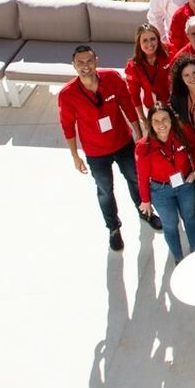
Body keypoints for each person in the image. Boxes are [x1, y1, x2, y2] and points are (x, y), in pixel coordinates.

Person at [59, 45, 152, 252]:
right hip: (96, 153)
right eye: (80, 62)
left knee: (135, 179)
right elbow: (68, 126)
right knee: (105, 191)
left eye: (89, 61)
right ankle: (113, 228)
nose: (85, 66)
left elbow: (127, 104)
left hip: (123, 143)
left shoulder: (112, 78)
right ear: (73, 65)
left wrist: (137, 133)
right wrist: (75, 156)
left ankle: (145, 211)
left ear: (96, 61)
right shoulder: (67, 94)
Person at [135, 104, 195, 262]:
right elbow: (142, 176)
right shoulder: (143, 147)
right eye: (156, 121)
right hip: (161, 191)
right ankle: (178, 258)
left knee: (190, 217)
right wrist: (145, 200)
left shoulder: (183, 132)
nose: (161, 124)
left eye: (165, 119)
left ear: (171, 119)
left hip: (186, 185)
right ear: (150, 123)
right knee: (170, 224)